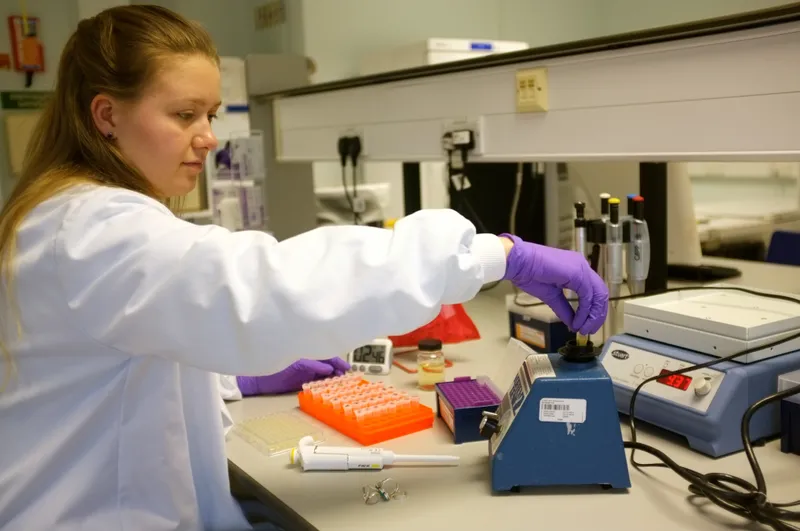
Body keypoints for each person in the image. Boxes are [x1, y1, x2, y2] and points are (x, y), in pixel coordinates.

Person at [0, 5, 608, 531]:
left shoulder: (62, 216)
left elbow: (119, 365)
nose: (208, 137)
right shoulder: (95, 232)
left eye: (211, 115)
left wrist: (237, 381)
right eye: (184, 115)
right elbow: (266, 287)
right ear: (106, 116)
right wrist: (497, 255)